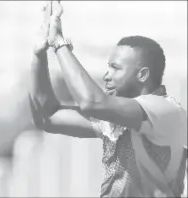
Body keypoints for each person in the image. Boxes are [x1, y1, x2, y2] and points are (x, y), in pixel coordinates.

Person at [29, 1, 187, 197]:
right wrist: (38, 54)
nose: (106, 75)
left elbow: (91, 102)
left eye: (116, 68)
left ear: (143, 75)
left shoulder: (166, 110)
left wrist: (59, 43)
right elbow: (47, 117)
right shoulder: (118, 118)